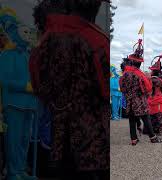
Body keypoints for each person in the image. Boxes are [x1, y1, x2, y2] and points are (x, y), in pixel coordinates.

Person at [29, 0, 110, 179]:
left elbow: (38, 87)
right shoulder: (96, 39)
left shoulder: (43, 43)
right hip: (92, 141)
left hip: (58, 137)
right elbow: (105, 92)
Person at [0, 8, 39, 180]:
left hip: (29, 104)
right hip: (14, 103)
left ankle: (21, 169)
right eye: (26, 32)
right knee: (14, 139)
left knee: (25, 138)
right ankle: (13, 171)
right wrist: (25, 86)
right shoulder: (8, 55)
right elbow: (5, 80)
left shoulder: (30, 56)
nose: (29, 35)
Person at [120, 39, 162, 145]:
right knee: (146, 118)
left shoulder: (125, 74)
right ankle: (153, 138)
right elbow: (148, 89)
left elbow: (122, 88)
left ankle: (134, 140)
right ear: (139, 64)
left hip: (129, 100)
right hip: (140, 100)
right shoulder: (140, 75)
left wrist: (129, 94)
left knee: (131, 120)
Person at [144, 54, 162, 135]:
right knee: (160, 113)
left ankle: (150, 129)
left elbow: (146, 89)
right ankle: (161, 130)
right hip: (159, 98)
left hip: (150, 98)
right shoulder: (160, 81)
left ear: (152, 71)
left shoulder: (149, 80)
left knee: (150, 113)